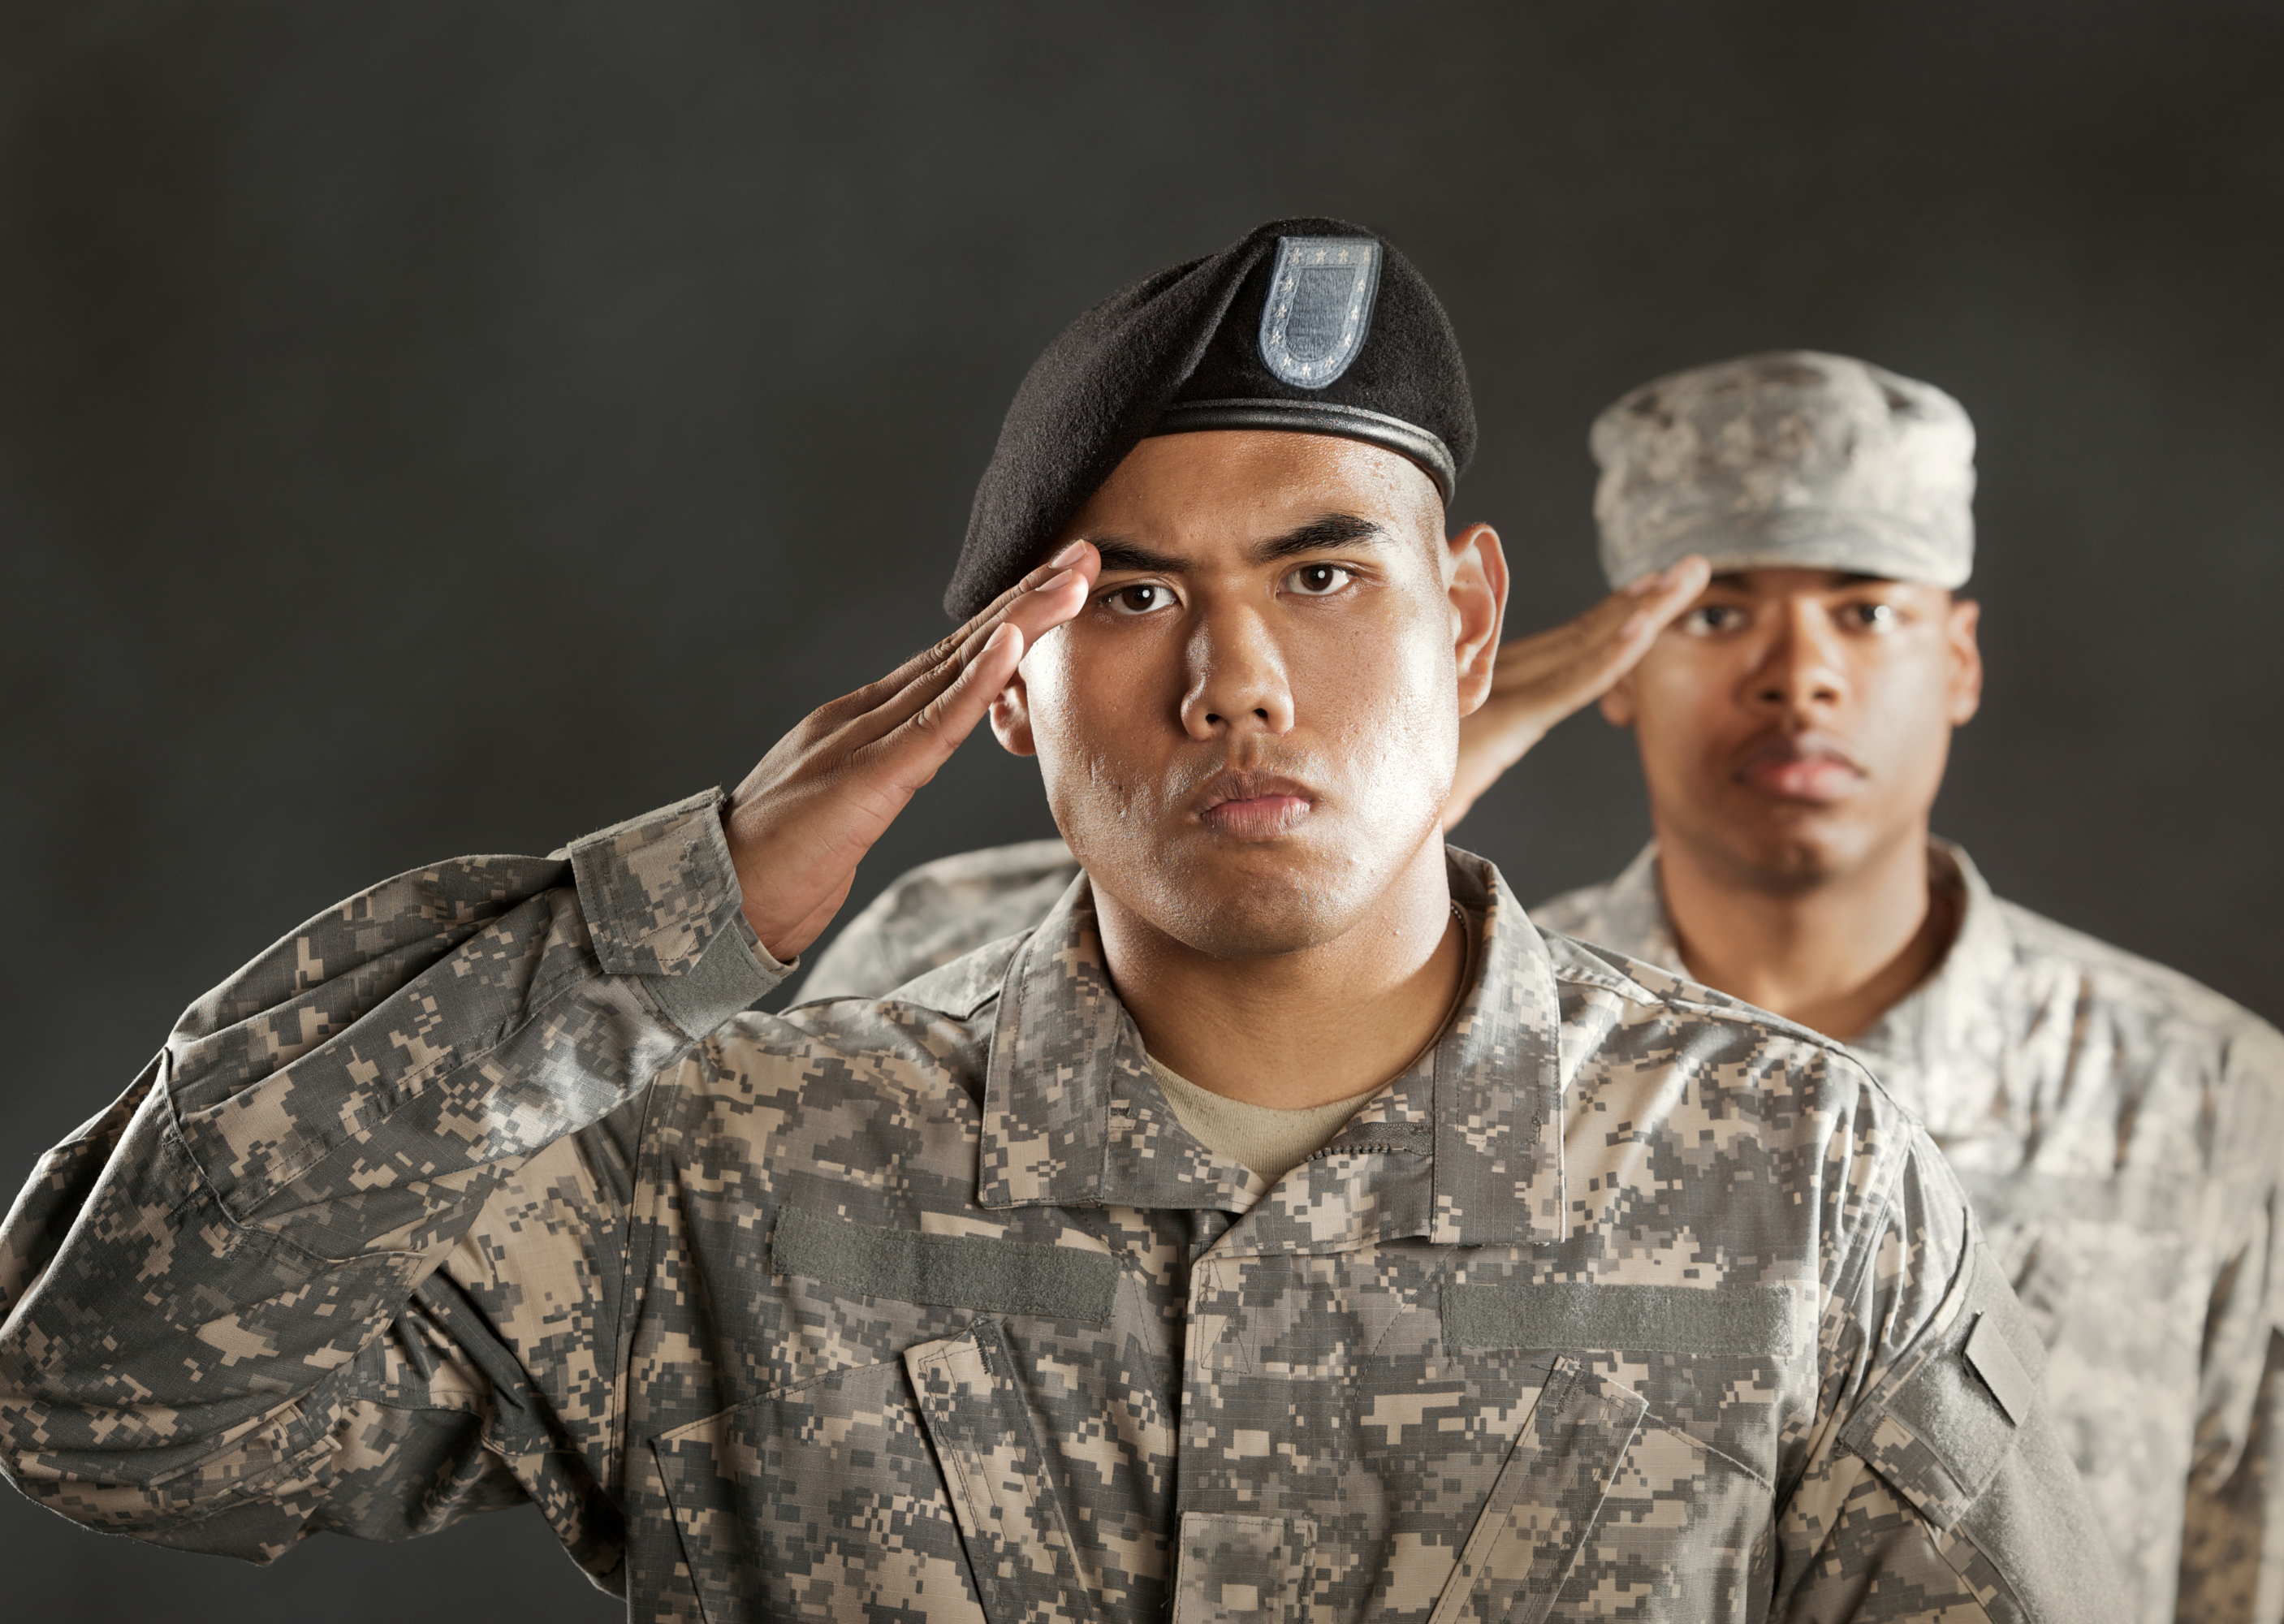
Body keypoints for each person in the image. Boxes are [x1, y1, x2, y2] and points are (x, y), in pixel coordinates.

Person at [0, 225, 2112, 1622]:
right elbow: (107, 1403)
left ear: (1466, 617)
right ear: (1004, 685)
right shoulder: (734, 1182)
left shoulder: (1780, 1185)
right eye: (1123, 599)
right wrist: (668, 919)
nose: (1234, 683)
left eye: (1317, 576)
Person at [805, 347, 2284, 1624]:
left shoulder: (2209, 1100)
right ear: (1621, 658)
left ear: (1961, 658)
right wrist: (1393, 777)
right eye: (1716, 615)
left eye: (1867, 610)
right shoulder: (1446, 1049)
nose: (1799, 679)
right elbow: (979, 1010)